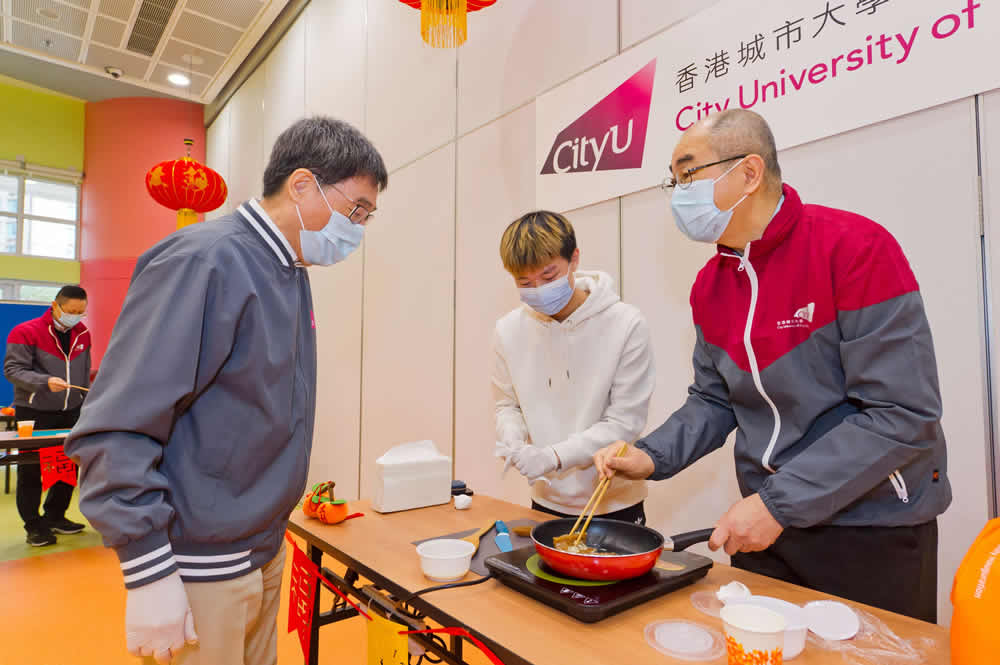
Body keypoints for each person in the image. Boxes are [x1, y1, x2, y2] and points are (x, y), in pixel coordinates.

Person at [594, 109, 950, 622]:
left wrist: (778, 503)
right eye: (672, 180)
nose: (678, 192)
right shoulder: (711, 285)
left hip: (870, 526)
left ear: (749, 172)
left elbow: (901, 413)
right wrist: (650, 457)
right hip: (766, 526)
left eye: (688, 173)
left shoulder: (854, 249)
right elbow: (715, 399)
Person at [65, 117, 387, 665]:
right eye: (356, 210)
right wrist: (147, 568)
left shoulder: (289, 270)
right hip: (197, 560)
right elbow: (118, 424)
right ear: (303, 185)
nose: (357, 228)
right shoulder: (205, 259)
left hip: (259, 548)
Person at [493, 211, 655, 523]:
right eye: (524, 282)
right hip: (545, 499)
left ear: (575, 259)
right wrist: (512, 439)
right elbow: (506, 404)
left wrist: (553, 456)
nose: (538, 289)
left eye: (549, 276)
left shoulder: (625, 324)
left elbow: (624, 422)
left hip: (614, 503)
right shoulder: (508, 330)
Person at [4, 284, 90, 547]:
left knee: (67, 466)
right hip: (34, 411)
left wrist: (85, 401)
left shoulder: (83, 333)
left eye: (81, 311)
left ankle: (55, 515)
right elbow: (12, 369)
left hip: (70, 411)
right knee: (31, 470)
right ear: (55, 305)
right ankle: (33, 524)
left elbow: (83, 371)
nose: (75, 316)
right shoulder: (25, 331)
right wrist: (44, 381)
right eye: (71, 310)